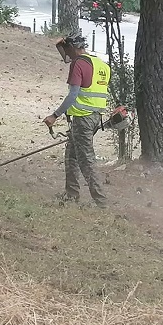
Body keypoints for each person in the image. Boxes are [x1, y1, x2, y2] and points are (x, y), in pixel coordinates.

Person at [44, 30, 111, 207]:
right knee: (71, 156)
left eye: (66, 50)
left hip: (83, 119)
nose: (66, 55)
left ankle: (101, 202)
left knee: (86, 160)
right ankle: (71, 194)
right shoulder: (101, 65)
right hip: (95, 117)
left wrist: (54, 115)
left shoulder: (78, 64)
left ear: (73, 48)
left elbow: (73, 95)